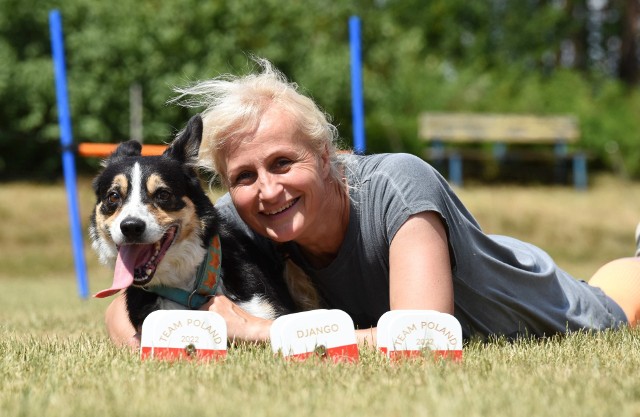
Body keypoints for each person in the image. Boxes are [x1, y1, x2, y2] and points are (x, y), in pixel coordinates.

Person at [105, 57, 640, 348]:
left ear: (328, 155)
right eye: (244, 175)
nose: (267, 190)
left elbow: (422, 338)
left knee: (623, 296)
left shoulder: (398, 184)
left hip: (564, 305)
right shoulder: (240, 223)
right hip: (513, 262)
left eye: (284, 163)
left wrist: (260, 332)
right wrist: (164, 336)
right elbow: (121, 307)